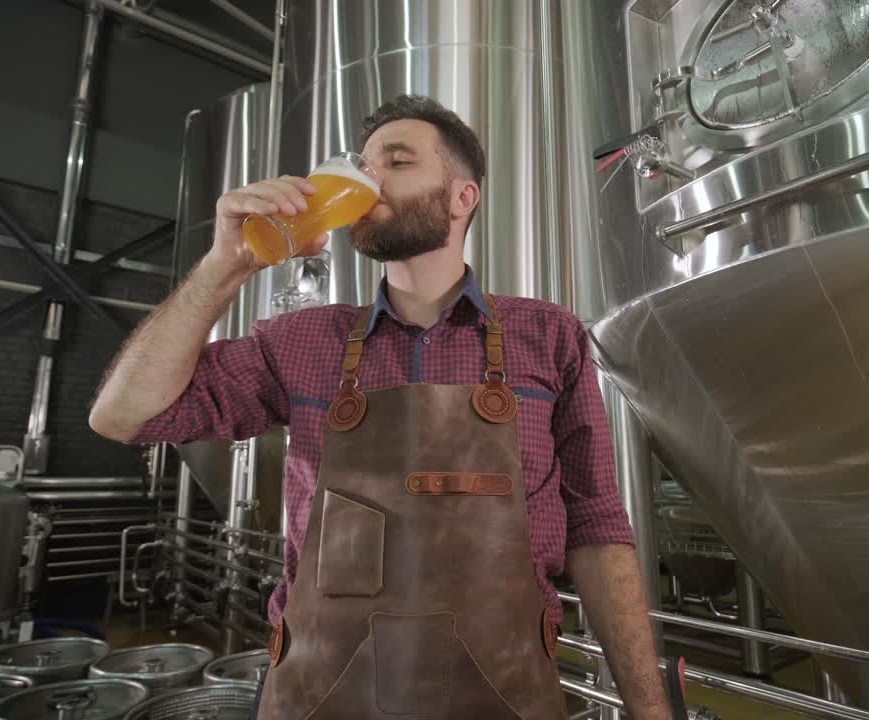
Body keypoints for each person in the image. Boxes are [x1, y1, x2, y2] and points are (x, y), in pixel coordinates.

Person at [90, 95, 673, 719]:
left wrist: (651, 711)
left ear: (461, 198)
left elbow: (599, 530)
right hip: (319, 693)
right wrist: (223, 268)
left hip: (506, 693)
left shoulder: (550, 336)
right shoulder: (301, 341)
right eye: (362, 164)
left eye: (395, 161)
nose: (368, 180)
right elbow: (124, 416)